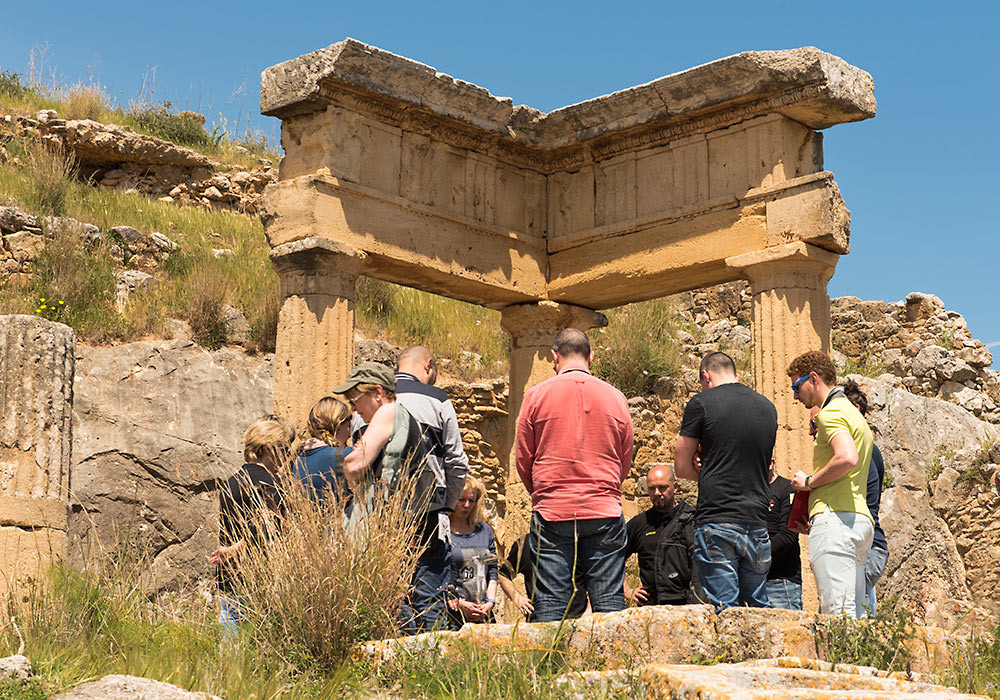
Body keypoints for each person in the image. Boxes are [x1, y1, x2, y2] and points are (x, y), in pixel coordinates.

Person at [515, 327, 634, 621]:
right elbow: (625, 459)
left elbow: (523, 458)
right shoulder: (616, 397)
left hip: (553, 510)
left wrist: (544, 493)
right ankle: (612, 666)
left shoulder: (535, 396)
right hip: (603, 508)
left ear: (555, 356)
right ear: (591, 357)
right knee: (608, 602)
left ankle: (549, 665)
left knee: (551, 602)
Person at [333, 361, 448, 633]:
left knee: (394, 601)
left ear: (377, 392)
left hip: (393, 522)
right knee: (419, 598)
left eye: (354, 399)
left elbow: (353, 465)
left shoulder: (388, 412)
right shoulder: (401, 416)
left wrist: (357, 487)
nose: (352, 408)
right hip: (416, 517)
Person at [674, 351, 776, 610]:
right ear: (736, 375)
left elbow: (682, 466)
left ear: (705, 375)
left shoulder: (701, 403)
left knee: (725, 608)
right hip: (757, 522)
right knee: (758, 609)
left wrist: (707, 474)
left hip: (718, 519)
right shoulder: (768, 407)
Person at [787, 351, 874, 619]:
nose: (794, 395)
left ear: (813, 378)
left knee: (837, 614)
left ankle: (843, 662)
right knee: (857, 614)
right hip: (858, 520)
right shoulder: (853, 413)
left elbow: (846, 457)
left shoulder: (830, 413)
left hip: (835, 520)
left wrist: (809, 483)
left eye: (796, 386)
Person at [211, 414, 296, 633]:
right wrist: (235, 549)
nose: (288, 456)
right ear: (270, 450)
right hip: (261, 580)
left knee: (231, 649)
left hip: (229, 579)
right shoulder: (271, 485)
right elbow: (268, 528)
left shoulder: (232, 481)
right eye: (285, 449)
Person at [395, 345, 470, 548]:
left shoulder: (369, 399)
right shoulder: (437, 399)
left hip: (379, 515)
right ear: (428, 365)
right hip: (428, 513)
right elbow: (457, 462)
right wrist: (445, 507)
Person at [843, 379, 889, 615]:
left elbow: (867, 497)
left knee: (856, 615)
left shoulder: (864, 450)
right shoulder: (867, 449)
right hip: (870, 544)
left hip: (867, 543)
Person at [623, 464, 698, 606]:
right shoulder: (640, 523)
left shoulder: (692, 519)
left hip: (687, 607)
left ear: (675, 487)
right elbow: (612, 556)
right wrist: (627, 589)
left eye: (662, 487)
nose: (657, 493)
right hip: (650, 608)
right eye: (652, 488)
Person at [498, 533, 588, 621]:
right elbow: (503, 574)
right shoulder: (525, 543)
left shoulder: (577, 540)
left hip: (577, 620)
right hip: (540, 622)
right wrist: (518, 599)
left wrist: (588, 613)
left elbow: (595, 577)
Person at [446, 476, 497, 627]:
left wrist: (490, 603)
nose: (467, 505)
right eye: (461, 500)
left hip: (484, 614)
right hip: (454, 614)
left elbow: (493, 572)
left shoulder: (485, 531)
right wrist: (460, 604)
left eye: (471, 500)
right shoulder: (443, 532)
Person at [294, 396, 353, 501]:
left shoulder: (297, 459)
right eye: (348, 426)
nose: (350, 434)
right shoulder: (346, 454)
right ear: (338, 425)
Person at [765, 457, 802, 610]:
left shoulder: (787, 488)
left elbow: (788, 535)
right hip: (751, 582)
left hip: (780, 582)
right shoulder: (748, 492)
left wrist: (755, 559)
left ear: (771, 462)